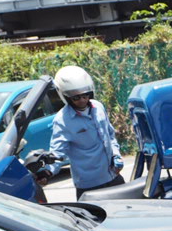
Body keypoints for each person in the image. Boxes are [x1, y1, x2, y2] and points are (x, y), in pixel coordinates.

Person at [45, 65, 125, 197]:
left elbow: (110, 135)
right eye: (76, 98)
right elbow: (58, 152)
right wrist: (48, 172)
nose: (82, 100)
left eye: (85, 95)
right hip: (89, 184)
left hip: (113, 176)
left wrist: (116, 154)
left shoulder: (98, 107)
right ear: (66, 97)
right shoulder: (62, 120)